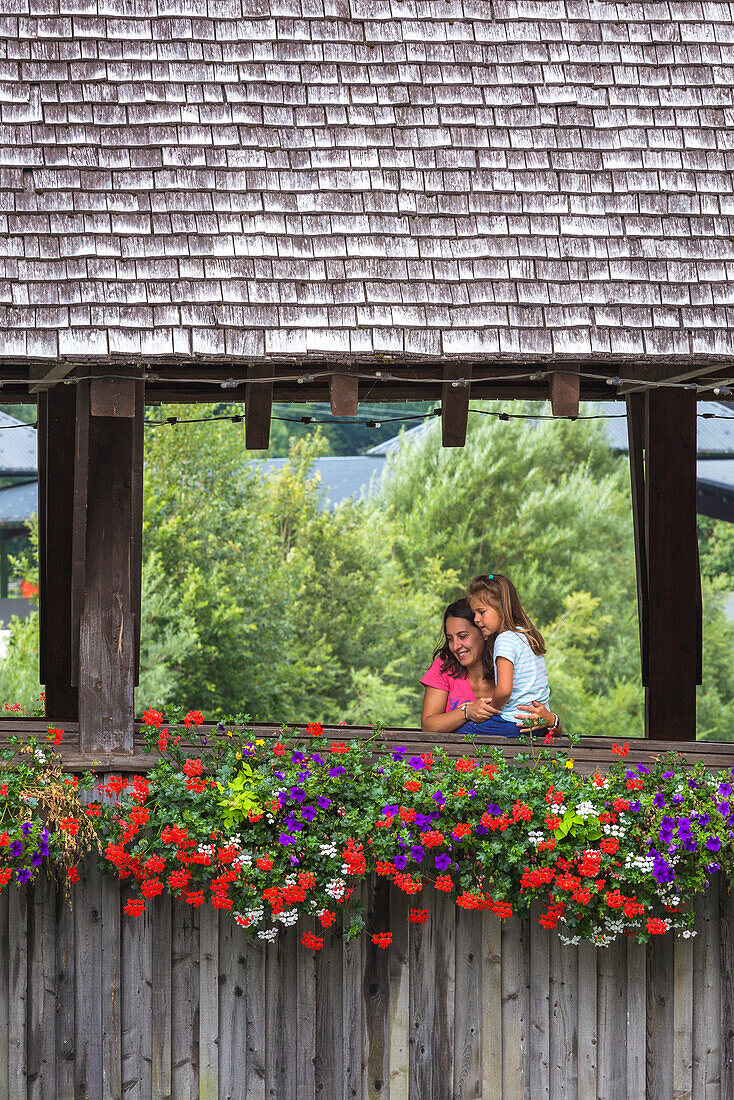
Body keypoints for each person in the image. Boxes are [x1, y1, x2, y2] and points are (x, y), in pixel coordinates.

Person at [420, 598, 558, 735]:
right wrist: (467, 712)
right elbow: (428, 725)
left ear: (483, 632)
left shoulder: (509, 663)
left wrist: (552, 720)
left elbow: (554, 731)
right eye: (450, 639)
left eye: (463, 636)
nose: (455, 646)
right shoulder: (445, 665)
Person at [458, 572, 550, 738]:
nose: (477, 619)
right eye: (474, 614)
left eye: (481, 612)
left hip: (512, 723)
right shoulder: (525, 635)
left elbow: (504, 691)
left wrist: (490, 709)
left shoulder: (505, 639)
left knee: (459, 731)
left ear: (501, 607)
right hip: (537, 724)